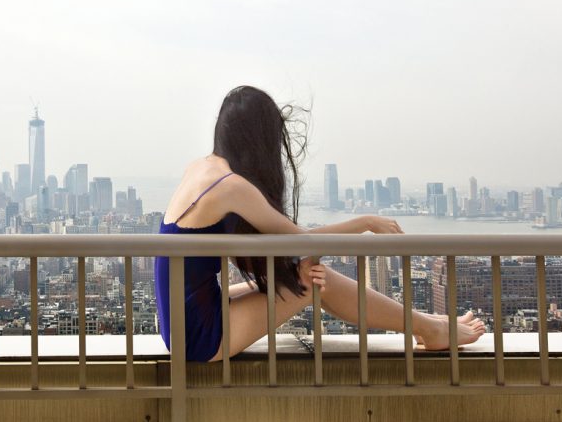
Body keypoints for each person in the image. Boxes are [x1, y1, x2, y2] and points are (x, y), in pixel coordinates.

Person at [155, 85, 485, 362]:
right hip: (197, 335)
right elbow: (302, 242)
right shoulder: (231, 186)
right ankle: (431, 329)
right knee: (315, 282)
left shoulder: (200, 168)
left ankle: (428, 323)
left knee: (306, 277)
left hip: (182, 319)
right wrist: (365, 222)